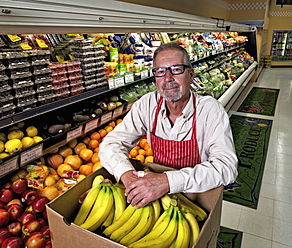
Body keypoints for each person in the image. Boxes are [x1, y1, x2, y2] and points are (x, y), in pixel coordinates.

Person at [99, 42, 238, 209]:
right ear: (155, 78)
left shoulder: (210, 110)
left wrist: (167, 181)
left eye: (176, 69)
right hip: (155, 197)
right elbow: (110, 144)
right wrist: (127, 176)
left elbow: (227, 167)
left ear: (191, 75)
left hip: (197, 199)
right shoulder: (147, 105)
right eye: (160, 72)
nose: (168, 79)